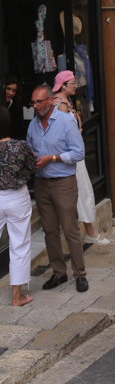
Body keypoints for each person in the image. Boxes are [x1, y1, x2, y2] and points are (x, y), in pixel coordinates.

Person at [26, 83, 88, 292]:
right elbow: (29, 149)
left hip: (63, 182)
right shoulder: (32, 125)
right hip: (42, 184)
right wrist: (31, 158)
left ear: (50, 100)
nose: (35, 106)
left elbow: (78, 153)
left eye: (39, 101)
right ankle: (59, 273)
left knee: (70, 230)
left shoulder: (66, 122)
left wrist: (52, 158)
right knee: (50, 231)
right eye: (32, 102)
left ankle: (80, 274)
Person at [51, 71, 109, 246]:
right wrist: (77, 134)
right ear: (62, 85)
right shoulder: (60, 104)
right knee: (80, 192)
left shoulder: (66, 102)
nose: (76, 85)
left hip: (75, 155)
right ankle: (88, 232)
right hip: (70, 157)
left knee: (83, 191)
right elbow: (61, 133)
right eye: (72, 83)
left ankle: (88, 231)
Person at [0, 105, 36, 306]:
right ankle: (17, 297)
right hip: (16, 196)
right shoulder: (20, 146)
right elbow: (31, 167)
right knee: (19, 244)